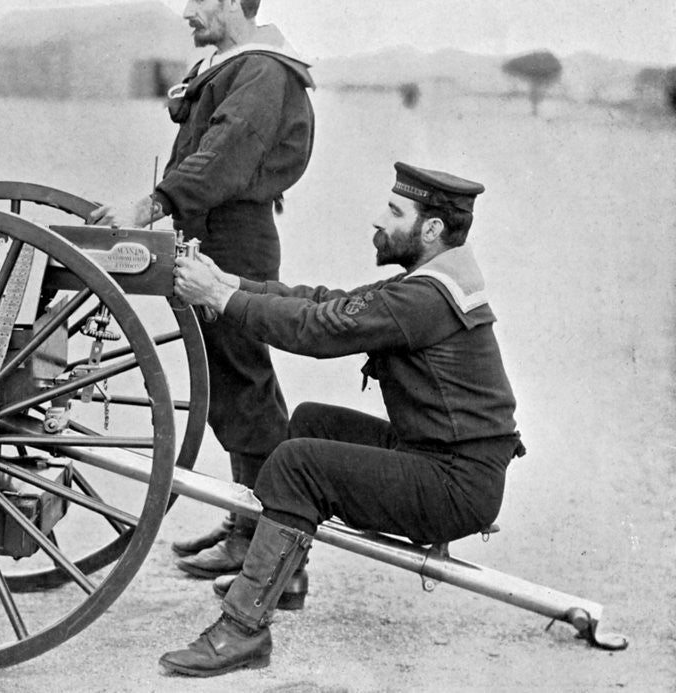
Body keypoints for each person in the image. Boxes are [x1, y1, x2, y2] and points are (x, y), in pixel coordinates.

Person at [159, 162, 526, 677]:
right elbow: (329, 303)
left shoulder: (422, 298)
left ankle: (242, 632)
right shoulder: (432, 283)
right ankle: (283, 579)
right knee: (312, 422)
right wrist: (233, 283)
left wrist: (223, 301)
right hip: (445, 461)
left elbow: (319, 329)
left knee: (297, 463)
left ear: (432, 229)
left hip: (456, 485)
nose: (378, 220)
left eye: (395, 212)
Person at [88, 0, 316, 579]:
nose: (187, 12)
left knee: (244, 384)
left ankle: (273, 553)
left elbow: (223, 153)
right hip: (211, 230)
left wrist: (152, 203)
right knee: (226, 383)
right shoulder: (232, 66)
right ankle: (250, 521)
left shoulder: (264, 73)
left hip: (235, 240)